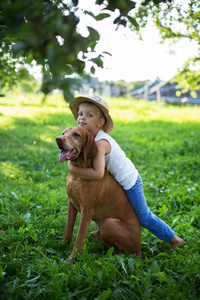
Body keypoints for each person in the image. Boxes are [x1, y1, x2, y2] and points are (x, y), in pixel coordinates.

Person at [68, 94, 184, 251]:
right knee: (104, 201)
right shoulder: (87, 139)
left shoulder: (101, 143)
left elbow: (97, 174)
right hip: (115, 181)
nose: (82, 118)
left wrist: (72, 168)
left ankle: (175, 239)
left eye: (89, 115)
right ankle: (103, 231)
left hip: (130, 182)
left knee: (144, 216)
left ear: (100, 122)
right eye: (80, 114)